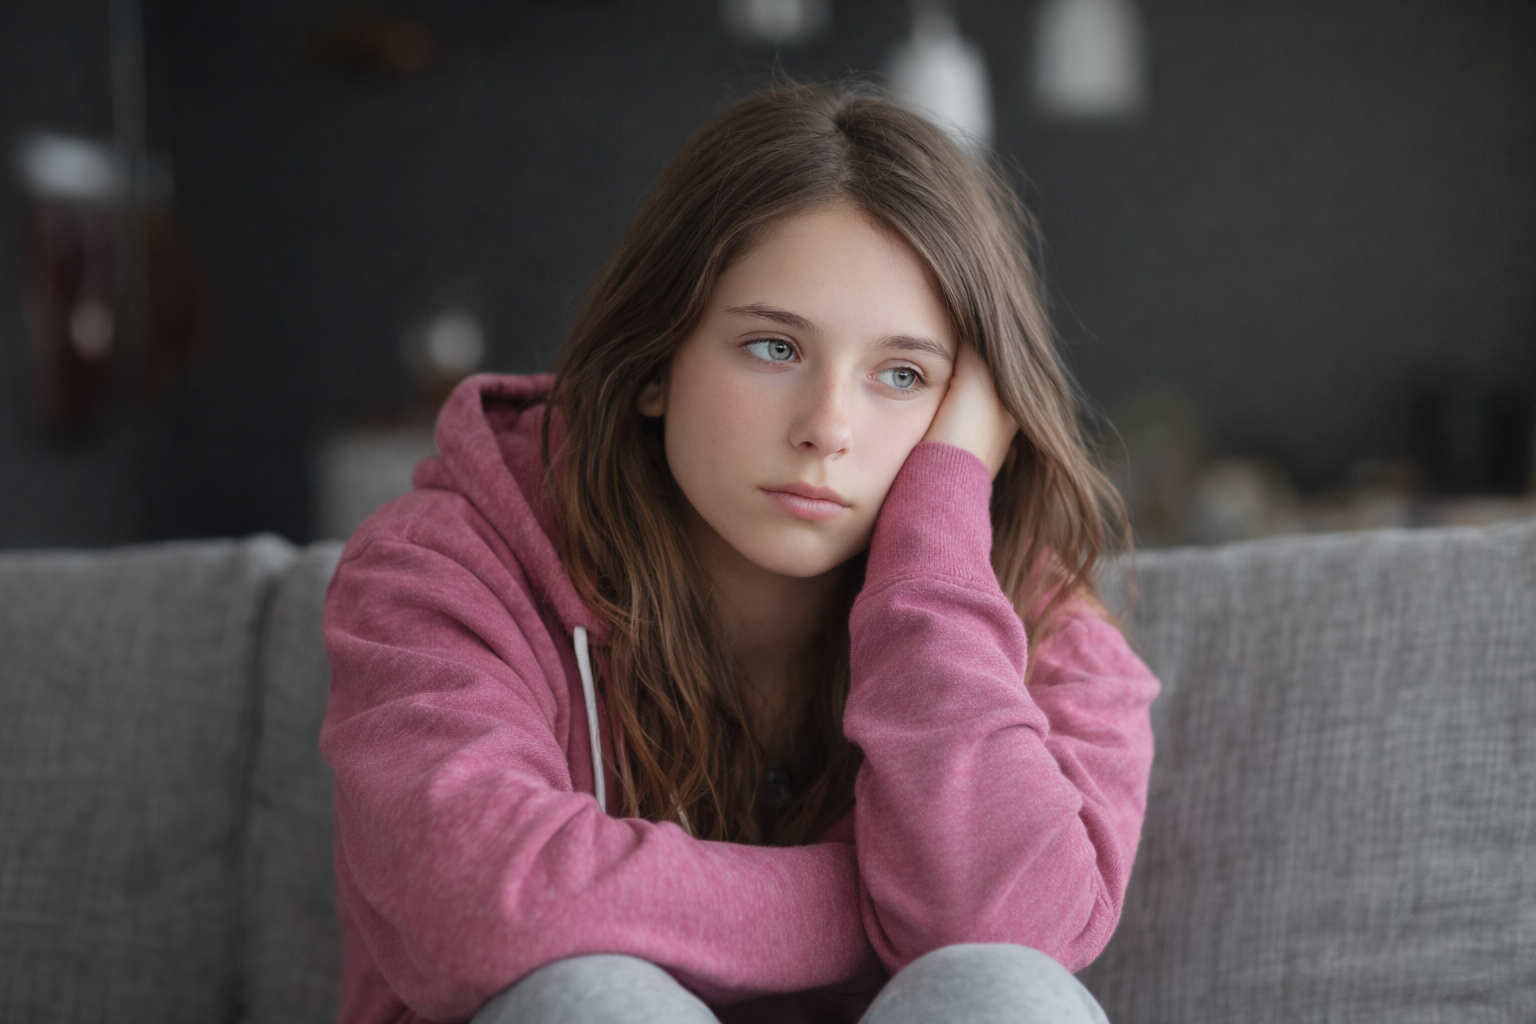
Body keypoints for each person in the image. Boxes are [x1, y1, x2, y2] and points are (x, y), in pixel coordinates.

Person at [320, 82, 1159, 1024]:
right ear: (653, 365)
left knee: (1002, 991)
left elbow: (1016, 932)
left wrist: (937, 552)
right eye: (772, 347)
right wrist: (879, 903)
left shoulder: (1039, 623)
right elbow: (482, 906)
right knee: (589, 998)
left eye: (903, 375)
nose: (827, 428)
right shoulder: (445, 570)